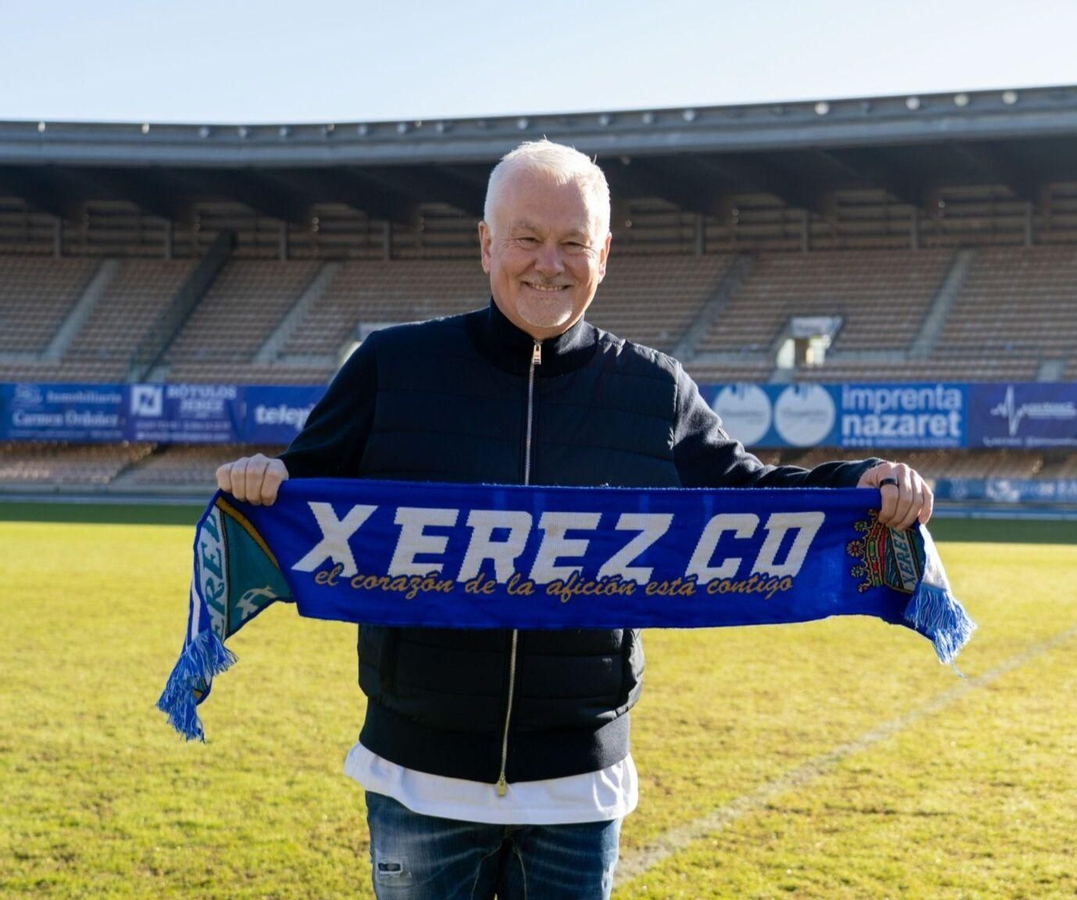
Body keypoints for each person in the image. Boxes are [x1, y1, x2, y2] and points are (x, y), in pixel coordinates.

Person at [214, 139, 933, 900]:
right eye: (526, 238)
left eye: (573, 243)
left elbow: (749, 497)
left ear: (605, 254)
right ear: (488, 243)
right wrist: (266, 478)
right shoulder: (393, 366)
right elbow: (305, 482)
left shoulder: (654, 388)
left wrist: (859, 485)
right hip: (417, 779)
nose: (548, 263)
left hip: (578, 788)